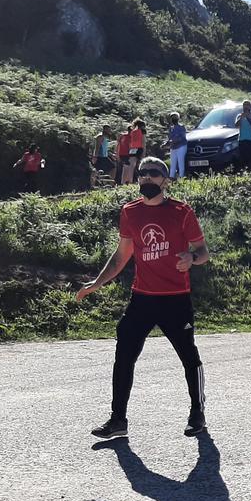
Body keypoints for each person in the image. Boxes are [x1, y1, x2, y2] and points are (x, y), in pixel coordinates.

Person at [75, 157, 212, 439]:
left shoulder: (181, 212)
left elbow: (202, 251)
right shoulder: (130, 212)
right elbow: (122, 254)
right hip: (142, 298)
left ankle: (197, 413)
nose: (146, 179)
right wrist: (97, 283)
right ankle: (117, 420)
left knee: (188, 356)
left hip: (175, 298)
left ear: (165, 180)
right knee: (123, 355)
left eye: (153, 174)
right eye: (142, 174)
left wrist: (191, 258)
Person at [234, 100, 251, 170]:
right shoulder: (239, 116)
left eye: (247, 105)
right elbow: (236, 125)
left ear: (250, 107)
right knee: (242, 159)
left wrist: (249, 117)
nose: (245, 107)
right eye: (244, 105)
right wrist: (242, 118)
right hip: (242, 140)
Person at [164, 112, 188, 180]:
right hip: (173, 147)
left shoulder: (181, 127)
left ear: (178, 118)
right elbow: (169, 138)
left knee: (180, 162)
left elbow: (181, 137)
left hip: (181, 146)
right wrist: (165, 144)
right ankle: (171, 178)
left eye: (175, 117)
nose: (173, 119)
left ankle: (181, 177)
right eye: (172, 118)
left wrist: (173, 141)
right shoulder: (171, 128)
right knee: (173, 163)